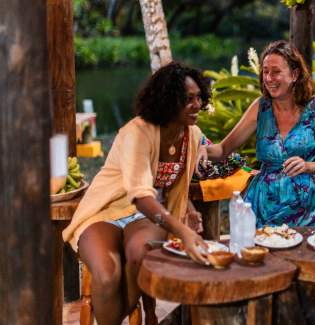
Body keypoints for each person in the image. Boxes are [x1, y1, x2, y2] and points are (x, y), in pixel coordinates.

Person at [62, 62, 211, 325]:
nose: (197, 104)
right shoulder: (137, 131)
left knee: (139, 254)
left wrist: (188, 209)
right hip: (106, 212)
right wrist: (182, 230)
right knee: (107, 275)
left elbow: (179, 183)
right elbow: (141, 195)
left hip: (145, 217)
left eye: (199, 97)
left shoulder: (193, 135)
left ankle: (114, 315)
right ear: (168, 100)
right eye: (188, 99)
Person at [205, 40, 315, 227]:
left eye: (276, 72)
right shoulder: (260, 107)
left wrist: (309, 166)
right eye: (265, 71)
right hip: (262, 207)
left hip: (307, 211)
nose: (269, 78)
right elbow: (222, 149)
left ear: (294, 74)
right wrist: (199, 148)